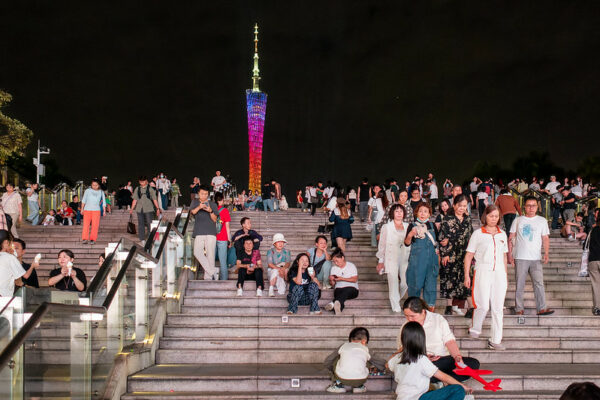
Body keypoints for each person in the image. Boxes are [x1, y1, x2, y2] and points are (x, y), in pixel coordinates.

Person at [398, 297, 480, 384]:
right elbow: (403, 351)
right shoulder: (406, 327)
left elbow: (449, 341)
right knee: (418, 370)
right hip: (423, 362)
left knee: (473, 364)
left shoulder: (438, 319)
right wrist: (424, 357)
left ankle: (440, 379)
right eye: (406, 316)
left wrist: (457, 357)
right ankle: (446, 379)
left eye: (412, 316)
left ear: (422, 311)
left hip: (443, 359)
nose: (409, 319)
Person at [388, 321, 472, 400]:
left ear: (403, 339)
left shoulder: (397, 358)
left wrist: (400, 351)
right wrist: (464, 387)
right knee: (458, 390)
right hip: (418, 398)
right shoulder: (421, 359)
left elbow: (387, 365)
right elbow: (444, 377)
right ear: (421, 339)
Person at [464, 205, 508, 350]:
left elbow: (503, 256)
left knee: (498, 308)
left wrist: (505, 276)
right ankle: (475, 328)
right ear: (485, 217)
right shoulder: (478, 234)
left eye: (496, 216)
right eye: (491, 216)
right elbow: (469, 255)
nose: (494, 219)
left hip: (499, 273)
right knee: (483, 304)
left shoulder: (502, 234)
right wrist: (466, 275)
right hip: (482, 270)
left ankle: (495, 340)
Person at [508, 196, 554, 316]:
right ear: (524, 207)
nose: (531, 208)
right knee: (520, 284)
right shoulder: (518, 220)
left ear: (537, 207)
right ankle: (519, 309)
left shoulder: (542, 221)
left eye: (533, 205)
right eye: (528, 205)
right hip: (520, 257)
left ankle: (542, 308)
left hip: (536, 258)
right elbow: (511, 238)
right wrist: (510, 254)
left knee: (539, 283)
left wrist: (547, 253)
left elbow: (545, 238)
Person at [438, 195, 473, 316]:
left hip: (465, 255)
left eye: (464, 206)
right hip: (451, 254)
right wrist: (445, 254)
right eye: (460, 205)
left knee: (466, 279)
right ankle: (449, 306)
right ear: (454, 205)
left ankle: (471, 307)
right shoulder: (447, 219)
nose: (462, 208)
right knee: (449, 279)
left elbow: (471, 236)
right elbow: (442, 238)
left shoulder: (468, 219)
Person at [404, 202, 439, 311]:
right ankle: (413, 308)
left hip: (431, 262)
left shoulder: (433, 226)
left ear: (429, 214)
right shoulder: (412, 225)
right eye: (420, 211)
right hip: (417, 262)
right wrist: (410, 234)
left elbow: (437, 242)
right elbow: (406, 243)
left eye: (425, 211)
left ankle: (430, 308)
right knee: (415, 284)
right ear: (416, 213)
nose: (423, 214)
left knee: (430, 286)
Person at [376, 204, 410, 312]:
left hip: (405, 257)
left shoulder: (408, 226)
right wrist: (381, 261)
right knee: (393, 281)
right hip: (391, 257)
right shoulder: (386, 227)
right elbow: (382, 245)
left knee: (405, 283)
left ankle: (397, 298)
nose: (399, 213)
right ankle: (395, 305)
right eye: (396, 211)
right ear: (392, 213)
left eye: (401, 211)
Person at [326, 327, 370, 394]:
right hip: (361, 379)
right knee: (367, 360)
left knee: (337, 359)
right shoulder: (366, 349)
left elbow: (328, 361)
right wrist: (384, 367)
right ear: (364, 341)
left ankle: (338, 385)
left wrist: (333, 371)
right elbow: (379, 362)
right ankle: (358, 386)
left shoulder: (344, 346)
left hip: (341, 377)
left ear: (350, 339)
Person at [191, 184, 219, 280]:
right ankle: (213, 271)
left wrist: (210, 210)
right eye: (202, 194)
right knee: (197, 252)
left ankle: (208, 278)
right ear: (198, 193)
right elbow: (192, 212)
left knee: (210, 255)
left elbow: (215, 219)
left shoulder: (213, 204)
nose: (204, 196)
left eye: (206, 194)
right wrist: (199, 207)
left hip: (211, 232)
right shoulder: (194, 202)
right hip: (199, 231)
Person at [326, 249, 359, 315]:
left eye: (337, 261)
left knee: (347, 290)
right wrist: (331, 280)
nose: (336, 263)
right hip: (339, 289)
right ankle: (338, 310)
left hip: (352, 289)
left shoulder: (351, 266)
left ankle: (332, 303)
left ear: (342, 258)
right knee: (340, 297)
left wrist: (342, 278)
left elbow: (355, 279)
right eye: (334, 261)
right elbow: (333, 285)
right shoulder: (334, 268)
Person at [131, 176, 161, 242]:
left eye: (143, 181)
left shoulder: (150, 189)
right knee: (140, 223)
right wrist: (131, 209)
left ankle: (151, 237)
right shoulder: (137, 189)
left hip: (148, 208)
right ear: (139, 182)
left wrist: (158, 208)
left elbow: (154, 199)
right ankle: (142, 238)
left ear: (146, 181)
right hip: (139, 208)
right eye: (141, 182)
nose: (142, 183)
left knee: (149, 223)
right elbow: (135, 199)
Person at [81, 179, 106, 245]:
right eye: (93, 185)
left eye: (96, 185)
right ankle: (85, 238)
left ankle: (93, 239)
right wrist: (82, 209)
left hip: (96, 210)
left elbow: (104, 202)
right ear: (91, 185)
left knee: (95, 225)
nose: (94, 186)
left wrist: (104, 211)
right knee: (86, 225)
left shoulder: (101, 192)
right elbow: (84, 200)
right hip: (87, 210)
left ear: (99, 185)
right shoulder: (87, 191)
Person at [214, 192, 232, 280]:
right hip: (223, 238)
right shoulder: (225, 211)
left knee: (210, 261)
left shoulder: (212, 210)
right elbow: (227, 227)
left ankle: (210, 279)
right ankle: (224, 281)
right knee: (223, 262)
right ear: (221, 200)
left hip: (212, 237)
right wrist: (230, 240)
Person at [587, 213, 600, 316]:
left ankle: (597, 308)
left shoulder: (593, 230)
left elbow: (585, 246)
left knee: (596, 285)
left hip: (594, 260)